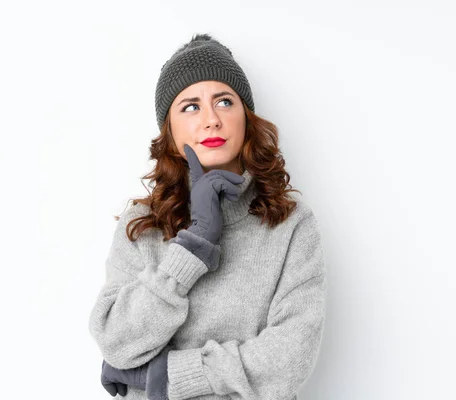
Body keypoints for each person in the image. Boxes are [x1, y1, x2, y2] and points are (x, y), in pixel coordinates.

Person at [88, 33, 327, 400]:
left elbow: (291, 358)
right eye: (190, 107)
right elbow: (116, 342)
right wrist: (194, 245)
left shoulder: (291, 224)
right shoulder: (143, 224)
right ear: (169, 131)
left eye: (224, 101)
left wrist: (164, 375)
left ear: (246, 119)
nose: (211, 120)